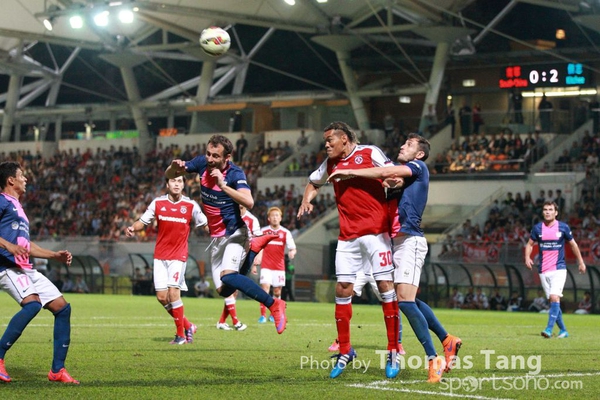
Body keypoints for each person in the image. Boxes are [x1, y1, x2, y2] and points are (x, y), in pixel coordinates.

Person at [328, 132, 461, 383]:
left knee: (405, 302)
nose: (402, 146)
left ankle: (433, 359)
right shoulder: (400, 179)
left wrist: (351, 171)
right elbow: (388, 179)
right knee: (405, 300)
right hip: (394, 242)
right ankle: (447, 340)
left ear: (419, 153)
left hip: (410, 241)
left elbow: (384, 171)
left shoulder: (418, 167)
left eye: (408, 145)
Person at [297, 121, 399, 379]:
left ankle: (393, 350)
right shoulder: (330, 163)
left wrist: (391, 182)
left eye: (330, 140)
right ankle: (345, 351)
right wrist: (306, 199)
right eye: (325, 141)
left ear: (344, 138)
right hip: (347, 236)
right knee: (342, 289)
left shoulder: (369, 152)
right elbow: (313, 182)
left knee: (385, 286)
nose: (326, 145)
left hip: (376, 233)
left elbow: (392, 173)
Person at [165, 134, 287, 335]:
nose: (210, 159)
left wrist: (223, 185)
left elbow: (249, 202)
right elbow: (170, 174)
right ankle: (253, 251)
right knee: (223, 290)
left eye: (215, 156)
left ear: (226, 157)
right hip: (216, 239)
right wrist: (173, 167)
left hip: (234, 233)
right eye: (208, 154)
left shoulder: (235, 174)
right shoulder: (201, 163)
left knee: (229, 276)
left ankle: (274, 304)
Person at [0, 161, 78, 383]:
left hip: (23, 267)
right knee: (32, 304)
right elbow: (13, 245)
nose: (26, 179)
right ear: (10, 180)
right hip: (6, 266)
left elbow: (26, 245)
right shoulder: (2, 201)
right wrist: (8, 246)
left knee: (62, 308)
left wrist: (54, 255)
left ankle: (57, 370)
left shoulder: (18, 208)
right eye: (21, 175)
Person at [126, 175, 208, 345]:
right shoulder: (157, 203)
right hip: (160, 255)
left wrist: (219, 231)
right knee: (162, 297)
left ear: (183, 184)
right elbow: (143, 221)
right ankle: (188, 326)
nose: (177, 184)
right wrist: (133, 228)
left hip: (179, 255)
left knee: (173, 293)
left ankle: (180, 335)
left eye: (180, 181)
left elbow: (205, 224)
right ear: (167, 184)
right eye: (173, 181)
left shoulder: (191, 205)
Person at [525, 201, 586, 338]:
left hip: (559, 268)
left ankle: (548, 329)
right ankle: (563, 330)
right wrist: (527, 257)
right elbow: (529, 244)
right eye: (545, 209)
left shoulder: (563, 227)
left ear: (556, 212)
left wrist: (581, 262)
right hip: (543, 270)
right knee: (553, 301)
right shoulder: (537, 228)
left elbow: (573, 245)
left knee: (554, 297)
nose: (547, 212)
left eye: (550, 209)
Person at [255, 207, 297, 323]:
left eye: (277, 215)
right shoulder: (263, 231)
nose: (275, 217)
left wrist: (292, 252)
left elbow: (293, 248)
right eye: (272, 215)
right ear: (269, 218)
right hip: (266, 266)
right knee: (265, 289)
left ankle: (273, 314)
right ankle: (263, 315)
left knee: (277, 291)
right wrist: (257, 259)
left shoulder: (285, 232)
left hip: (279, 267)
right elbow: (258, 246)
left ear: (281, 218)